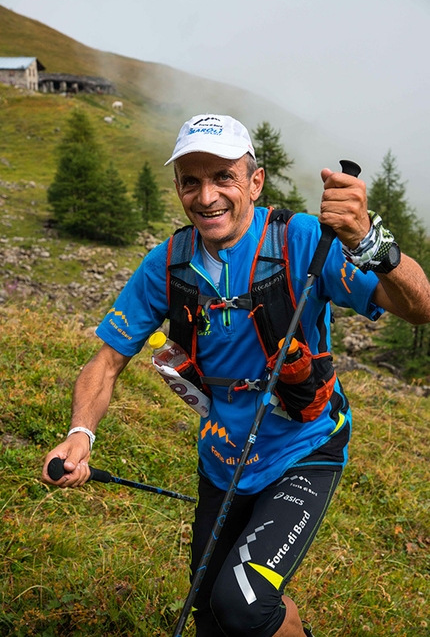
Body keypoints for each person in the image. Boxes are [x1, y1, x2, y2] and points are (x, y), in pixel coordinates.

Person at [42, 114, 430, 637]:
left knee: (242, 605)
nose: (206, 197)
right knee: (212, 615)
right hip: (223, 460)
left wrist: (369, 240)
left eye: (223, 177)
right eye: (190, 181)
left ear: (255, 181)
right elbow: (106, 361)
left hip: (304, 448)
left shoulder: (304, 241)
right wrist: (79, 434)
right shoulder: (167, 264)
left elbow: (420, 307)